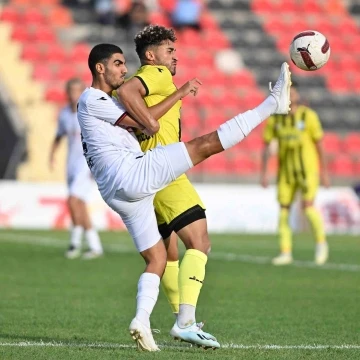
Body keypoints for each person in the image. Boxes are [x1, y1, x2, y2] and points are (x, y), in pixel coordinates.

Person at [77, 42, 291, 351]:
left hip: (118, 192)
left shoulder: (102, 101)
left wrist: (150, 115)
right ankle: (273, 103)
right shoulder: (92, 98)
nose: (124, 69)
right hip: (131, 174)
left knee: (158, 259)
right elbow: (147, 124)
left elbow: (141, 122)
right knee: (205, 144)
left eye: (125, 63)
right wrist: (178, 94)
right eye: (118, 63)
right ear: (100, 68)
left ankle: (141, 319)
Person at [114, 24, 213, 346]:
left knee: (169, 254)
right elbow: (126, 91)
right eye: (170, 51)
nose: (175, 57)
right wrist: (164, 109)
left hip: (146, 173)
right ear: (152, 54)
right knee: (200, 242)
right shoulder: (156, 73)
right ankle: (185, 321)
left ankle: (180, 318)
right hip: (165, 170)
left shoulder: (157, 78)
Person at [260, 83, 329, 266]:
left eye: (292, 92)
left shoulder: (308, 116)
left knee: (308, 207)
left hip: (307, 171)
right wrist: (265, 173)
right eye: (287, 93)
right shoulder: (276, 119)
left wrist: (324, 172)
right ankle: (285, 251)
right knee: (283, 212)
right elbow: (267, 146)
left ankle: (321, 244)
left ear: (297, 95)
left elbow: (320, 145)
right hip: (285, 173)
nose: (290, 96)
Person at [49, 78, 104, 260]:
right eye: (71, 91)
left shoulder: (88, 113)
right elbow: (58, 136)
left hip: (86, 164)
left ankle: (75, 243)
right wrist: (52, 155)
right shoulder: (65, 114)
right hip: (71, 164)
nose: (74, 95)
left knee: (73, 201)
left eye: (77, 91)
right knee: (79, 205)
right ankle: (93, 246)